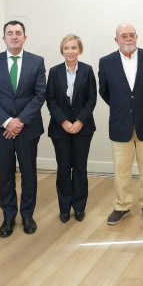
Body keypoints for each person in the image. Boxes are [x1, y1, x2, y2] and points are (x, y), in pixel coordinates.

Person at [0, 20, 46, 238]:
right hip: (1, 129)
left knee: (29, 174)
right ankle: (8, 217)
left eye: (18, 33)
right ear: (4, 38)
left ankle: (27, 215)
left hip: (28, 128)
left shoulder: (37, 61)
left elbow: (40, 95)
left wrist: (20, 121)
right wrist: (7, 121)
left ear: (25, 38)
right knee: (5, 175)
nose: (14, 36)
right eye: (10, 33)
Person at [98, 23, 143, 226]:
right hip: (120, 123)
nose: (128, 39)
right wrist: (123, 107)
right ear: (116, 40)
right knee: (121, 170)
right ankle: (122, 206)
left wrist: (140, 106)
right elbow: (104, 91)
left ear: (137, 37)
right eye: (123, 36)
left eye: (131, 35)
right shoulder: (106, 62)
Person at [46, 34, 96, 223]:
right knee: (64, 168)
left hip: (83, 128)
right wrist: (64, 122)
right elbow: (50, 100)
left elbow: (92, 98)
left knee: (80, 167)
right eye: (66, 48)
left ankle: (79, 207)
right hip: (60, 129)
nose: (70, 51)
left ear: (80, 50)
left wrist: (80, 121)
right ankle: (65, 207)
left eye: (74, 47)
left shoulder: (87, 70)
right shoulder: (54, 71)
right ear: (62, 51)